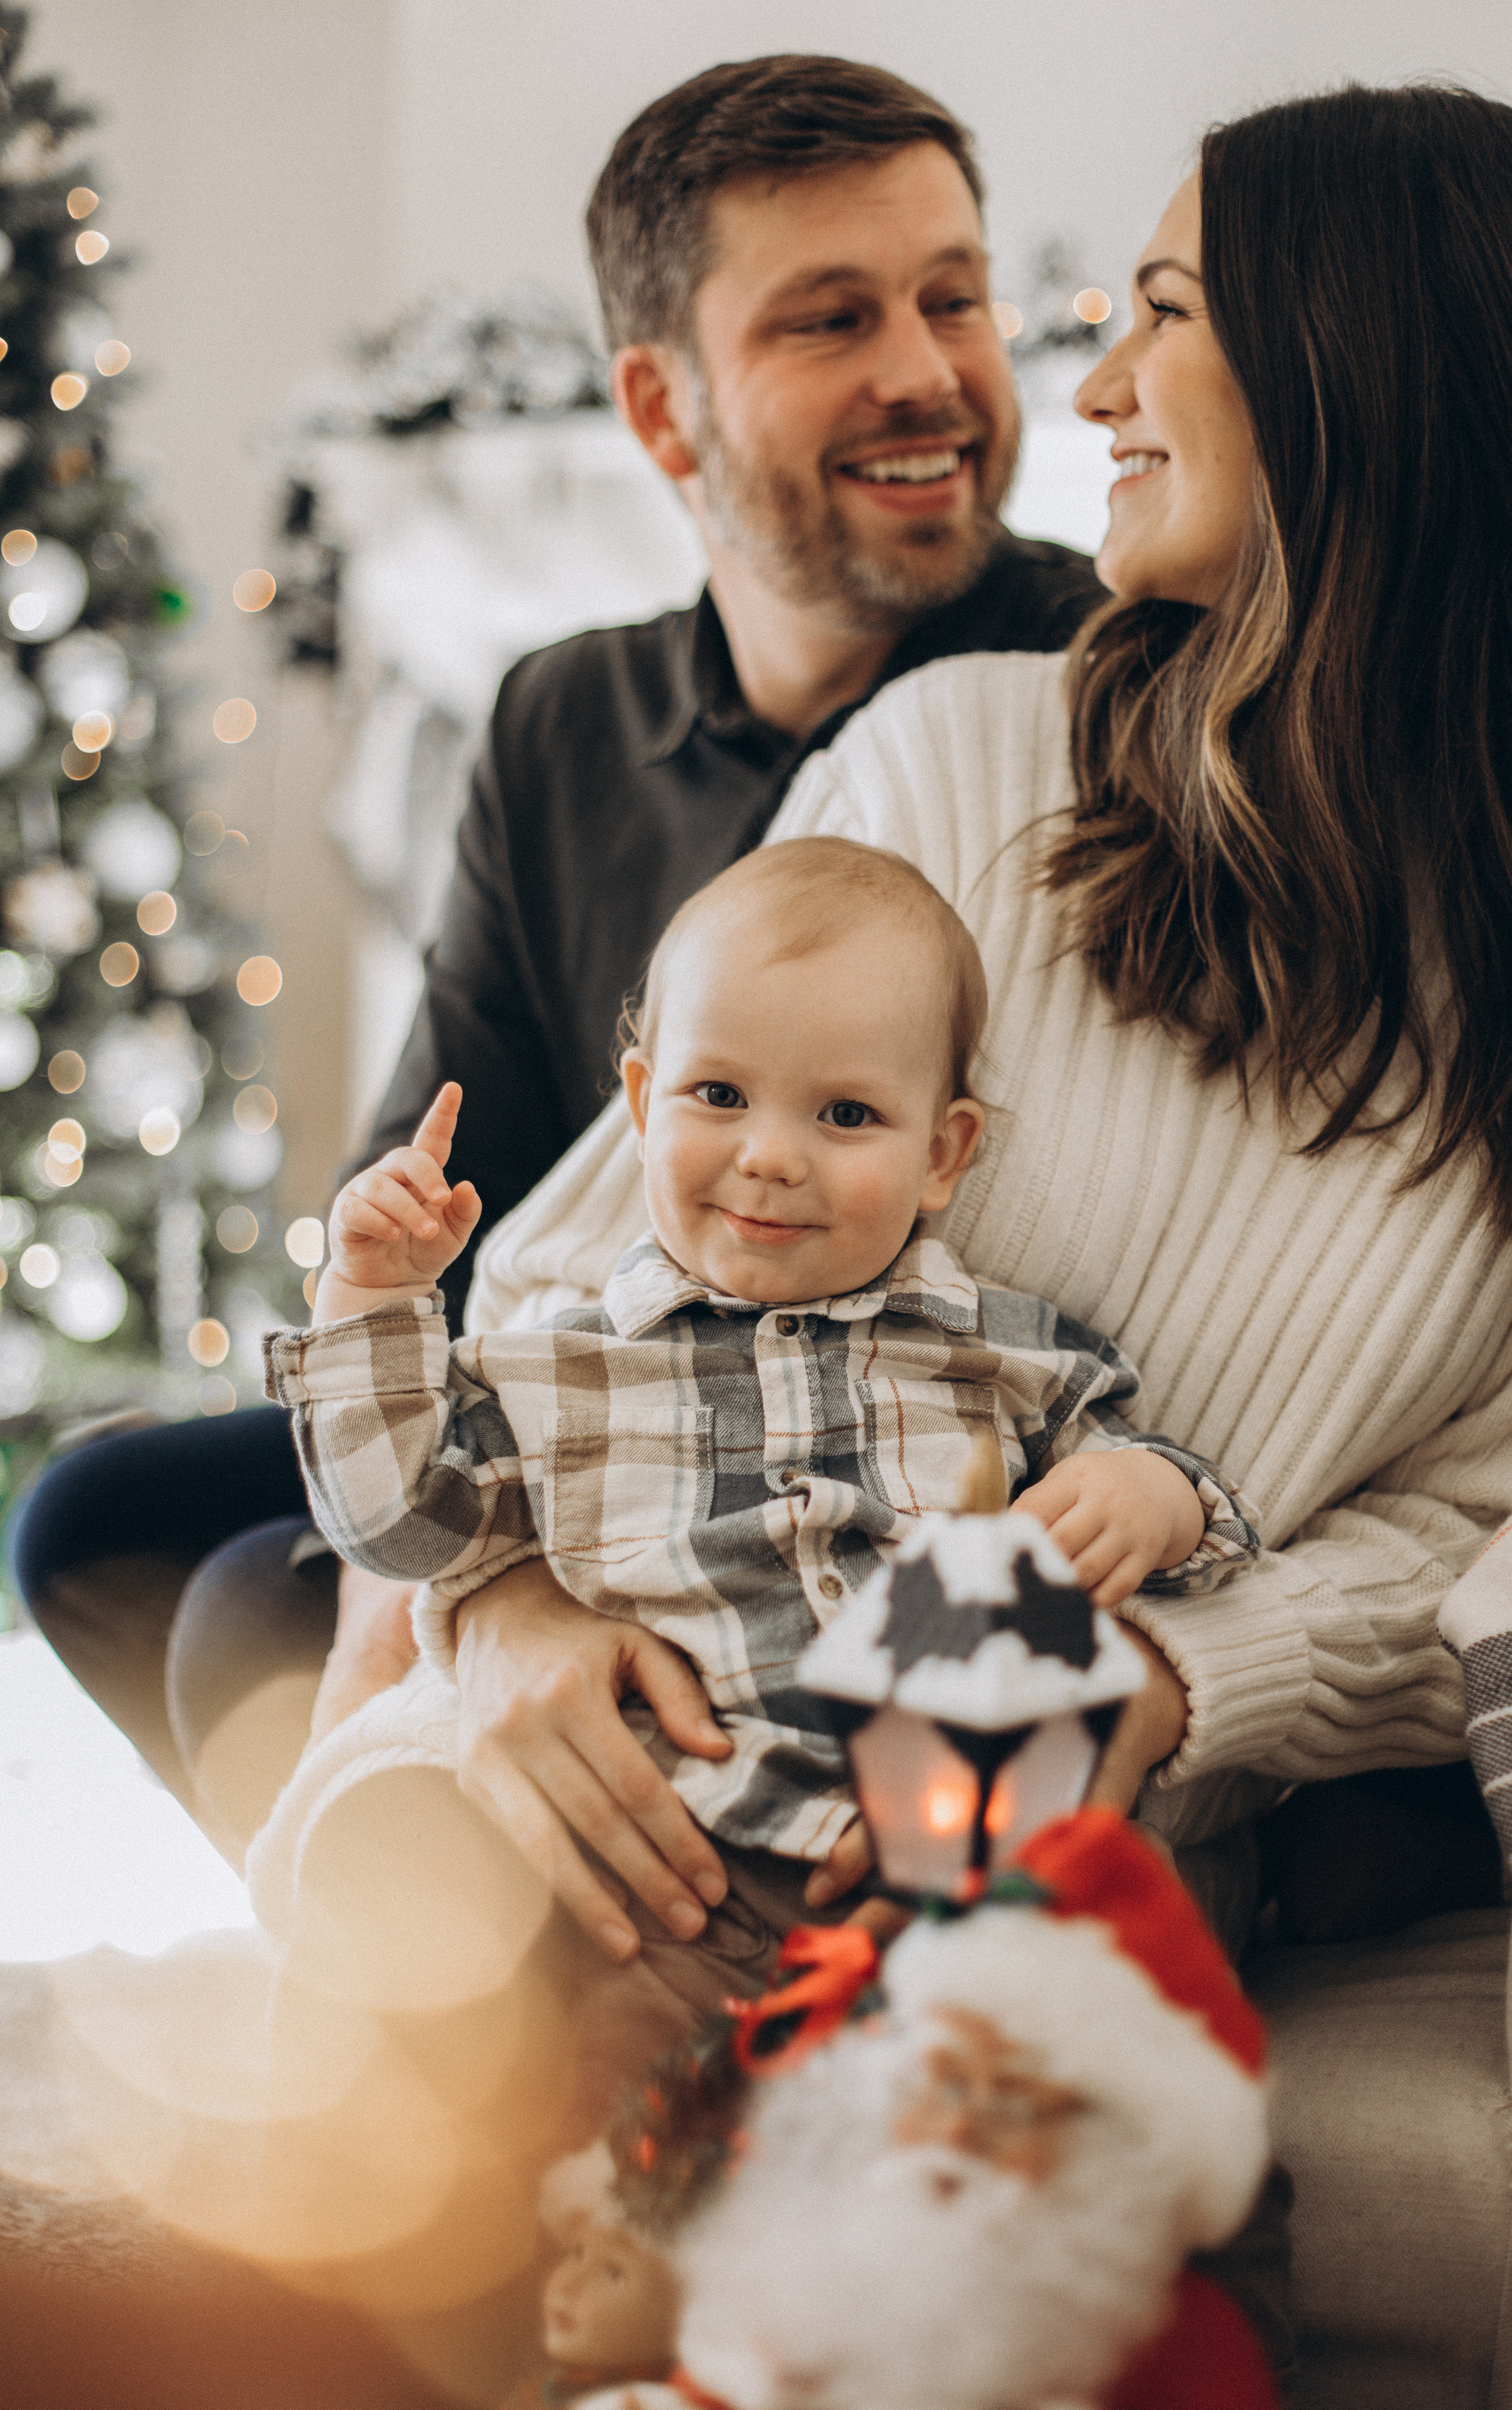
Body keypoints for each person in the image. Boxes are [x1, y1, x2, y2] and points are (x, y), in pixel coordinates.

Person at [437, 80, 1512, 1976]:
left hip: (1063, 1848)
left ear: (1355, 374)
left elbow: (1510, 1540)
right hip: (653, 1714)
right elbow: (571, 1256)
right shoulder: (964, 754)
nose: (1087, 395)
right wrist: (494, 1608)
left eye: (1164, 312)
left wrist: (1166, 1671)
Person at [11, 54, 1107, 1859]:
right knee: (88, 1524)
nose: (929, 372)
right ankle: (417, 2008)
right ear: (663, 413)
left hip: (854, 1453)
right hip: (572, 1411)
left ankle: (472, 2052)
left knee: (239, 1619)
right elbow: (439, 1177)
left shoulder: (1082, 690)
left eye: (954, 297)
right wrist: (490, 1580)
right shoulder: (562, 718)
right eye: (832, 320)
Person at [263, 839, 1255, 1878]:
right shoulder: (558, 1371)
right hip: (652, 1844)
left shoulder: (1010, 1355)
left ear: (941, 1155)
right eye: (720, 1096)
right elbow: (397, 1526)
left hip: (927, 1853)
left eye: (845, 1115)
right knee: (397, 1879)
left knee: (1147, 1906)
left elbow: (1196, 1531)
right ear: (643, 1108)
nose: (771, 1157)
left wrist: (1154, 1494)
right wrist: (370, 1294)